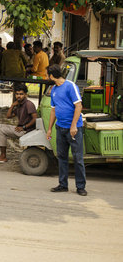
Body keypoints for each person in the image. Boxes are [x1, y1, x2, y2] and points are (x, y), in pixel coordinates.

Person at [46, 64, 86, 196]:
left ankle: (80, 186)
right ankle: (63, 185)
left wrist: (74, 125)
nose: (47, 77)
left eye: (48, 75)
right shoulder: (54, 90)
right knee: (62, 157)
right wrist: (50, 129)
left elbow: (78, 106)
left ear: (52, 75)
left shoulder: (70, 86)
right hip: (60, 128)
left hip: (73, 129)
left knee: (77, 158)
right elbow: (53, 110)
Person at [0, 83, 37, 163]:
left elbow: (34, 119)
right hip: (20, 129)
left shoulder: (28, 104)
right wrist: (12, 105)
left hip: (26, 131)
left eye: (21, 94)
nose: (19, 96)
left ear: (25, 94)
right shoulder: (19, 104)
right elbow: (8, 116)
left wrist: (24, 127)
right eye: (17, 94)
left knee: (2, 130)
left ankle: (3, 157)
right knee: (0, 126)